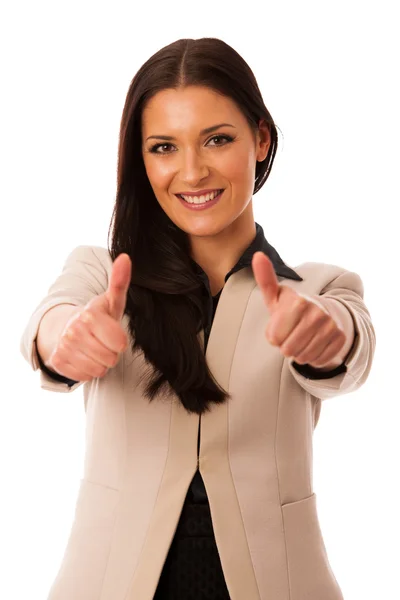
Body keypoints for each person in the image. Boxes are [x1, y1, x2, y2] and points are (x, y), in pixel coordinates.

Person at [20, 37, 376, 600]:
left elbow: (349, 342)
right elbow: (52, 321)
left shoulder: (319, 289)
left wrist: (326, 340)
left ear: (260, 139)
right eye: (163, 146)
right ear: (140, 158)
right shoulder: (102, 274)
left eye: (217, 139)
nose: (192, 171)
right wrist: (67, 339)